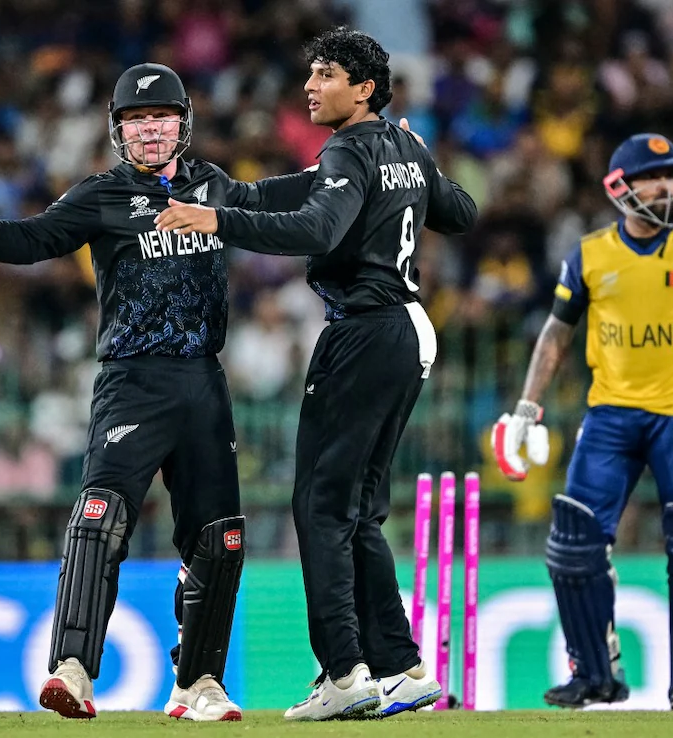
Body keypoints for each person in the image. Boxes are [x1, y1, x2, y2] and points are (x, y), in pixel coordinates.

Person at [0, 62, 315, 722]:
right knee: (100, 516)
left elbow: (274, 196)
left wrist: (358, 164)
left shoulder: (212, 185)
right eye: (136, 121)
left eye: (161, 119)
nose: (150, 132)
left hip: (203, 381)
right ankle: (72, 668)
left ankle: (199, 684)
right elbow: (32, 239)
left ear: (184, 124)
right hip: (132, 381)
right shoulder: (102, 196)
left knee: (221, 538)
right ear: (118, 131)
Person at [153, 28, 478, 721]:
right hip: (407, 328)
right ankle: (400, 666)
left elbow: (316, 228)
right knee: (356, 510)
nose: (310, 84)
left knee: (321, 508)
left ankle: (343, 672)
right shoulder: (393, 147)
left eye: (325, 74)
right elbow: (459, 212)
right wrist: (422, 159)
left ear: (363, 88)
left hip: (362, 332)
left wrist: (216, 218)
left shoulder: (349, 147)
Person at [490, 133, 673, 710]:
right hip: (612, 417)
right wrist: (528, 408)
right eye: (654, 176)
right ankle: (594, 674)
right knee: (573, 545)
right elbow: (556, 334)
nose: (669, 187)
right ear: (620, 187)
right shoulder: (590, 254)